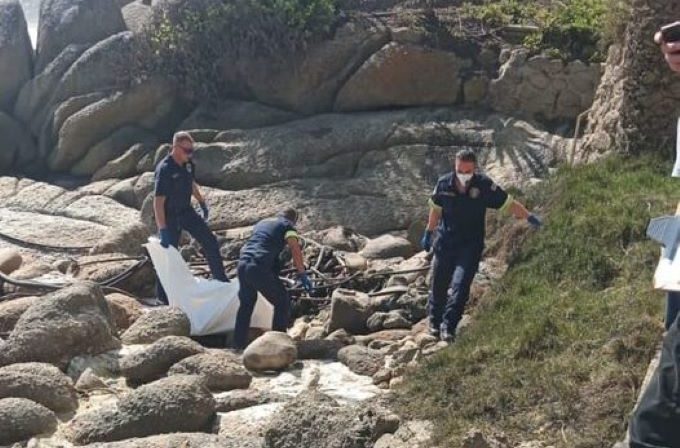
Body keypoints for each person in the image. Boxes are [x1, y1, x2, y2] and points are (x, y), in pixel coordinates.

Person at [421, 149, 542, 342]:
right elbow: (436, 208)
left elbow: (508, 203)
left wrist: (529, 216)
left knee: (460, 286)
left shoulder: (484, 185)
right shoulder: (444, 184)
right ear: (455, 166)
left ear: (474, 169)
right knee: (439, 284)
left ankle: (449, 326)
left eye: (467, 171)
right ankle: (434, 322)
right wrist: (429, 232)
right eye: (460, 170)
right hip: (445, 241)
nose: (463, 175)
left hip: (470, 245)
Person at [153, 131, 228, 304]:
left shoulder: (188, 165)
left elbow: (191, 183)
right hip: (170, 216)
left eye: (191, 151)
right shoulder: (165, 170)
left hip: (186, 212)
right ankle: (162, 299)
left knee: (210, 241)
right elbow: (157, 203)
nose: (190, 154)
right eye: (187, 151)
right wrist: (163, 229)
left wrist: (201, 201)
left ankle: (221, 281)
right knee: (169, 256)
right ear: (175, 148)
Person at [234, 208, 312, 349]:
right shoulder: (288, 226)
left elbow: (257, 243)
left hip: (242, 264)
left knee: (246, 305)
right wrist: (302, 274)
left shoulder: (262, 223)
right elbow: (295, 248)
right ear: (294, 220)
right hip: (258, 266)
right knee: (282, 301)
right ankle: (278, 344)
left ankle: (237, 345)